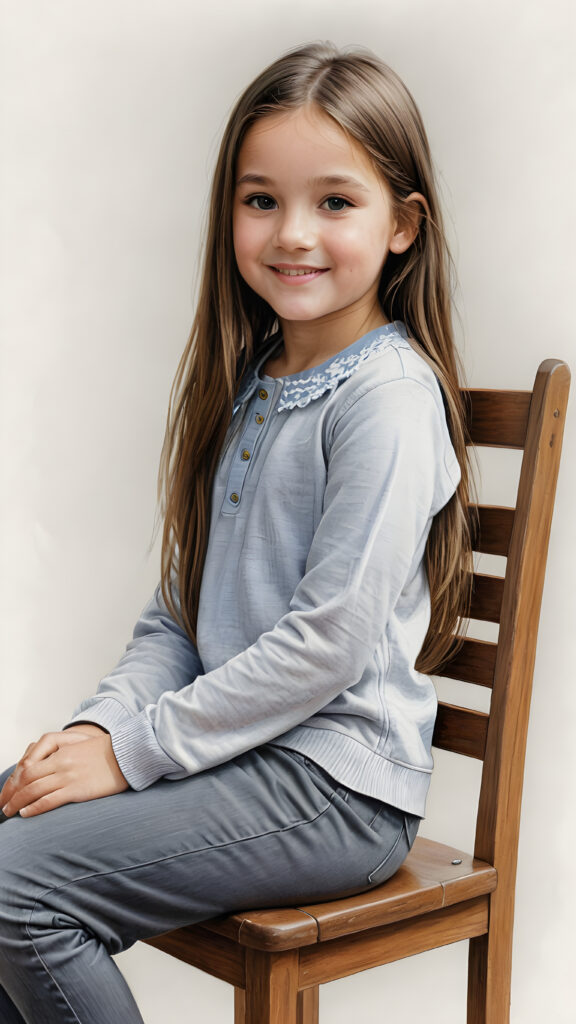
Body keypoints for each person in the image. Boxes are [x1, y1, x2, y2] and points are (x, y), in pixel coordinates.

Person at [0, 41, 473, 1023]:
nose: (292, 232)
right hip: (238, 761)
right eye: (262, 200)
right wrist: (100, 725)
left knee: (15, 887)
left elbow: (328, 644)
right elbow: (178, 616)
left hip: (336, 788)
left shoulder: (386, 397)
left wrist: (132, 755)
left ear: (403, 226)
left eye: (334, 202)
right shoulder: (257, 383)